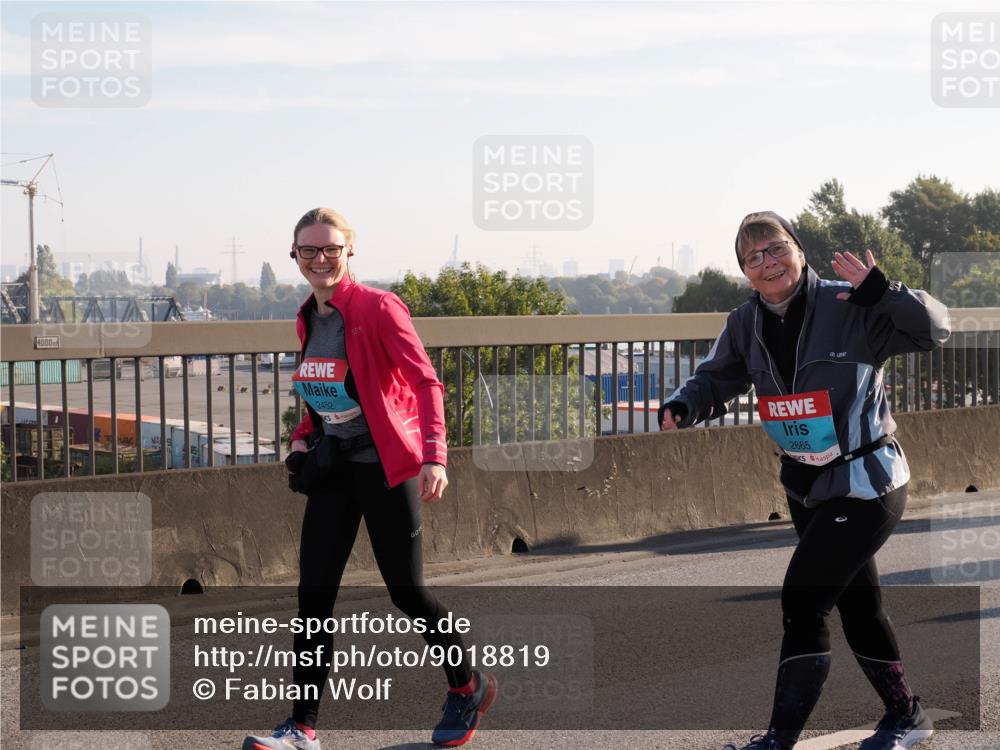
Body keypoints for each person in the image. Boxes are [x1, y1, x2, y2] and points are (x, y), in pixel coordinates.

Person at [658, 211, 950, 750]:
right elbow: (718, 376)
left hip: (869, 481)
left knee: (804, 597)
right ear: (745, 272)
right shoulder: (745, 322)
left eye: (775, 248)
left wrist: (885, 291)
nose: (766, 263)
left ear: (799, 249)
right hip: (806, 486)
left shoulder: (850, 302)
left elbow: (935, 328)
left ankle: (779, 740)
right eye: (752, 257)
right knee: (859, 605)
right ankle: (907, 716)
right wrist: (685, 403)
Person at [243, 208, 496, 750]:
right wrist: (299, 441)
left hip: (386, 467)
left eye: (330, 249)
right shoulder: (307, 316)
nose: (320, 259)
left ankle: (467, 686)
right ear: (294, 256)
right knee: (313, 598)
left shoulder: (379, 308)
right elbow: (321, 392)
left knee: (407, 593)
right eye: (308, 250)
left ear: (348, 251)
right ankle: (303, 729)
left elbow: (426, 382)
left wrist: (435, 456)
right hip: (335, 469)